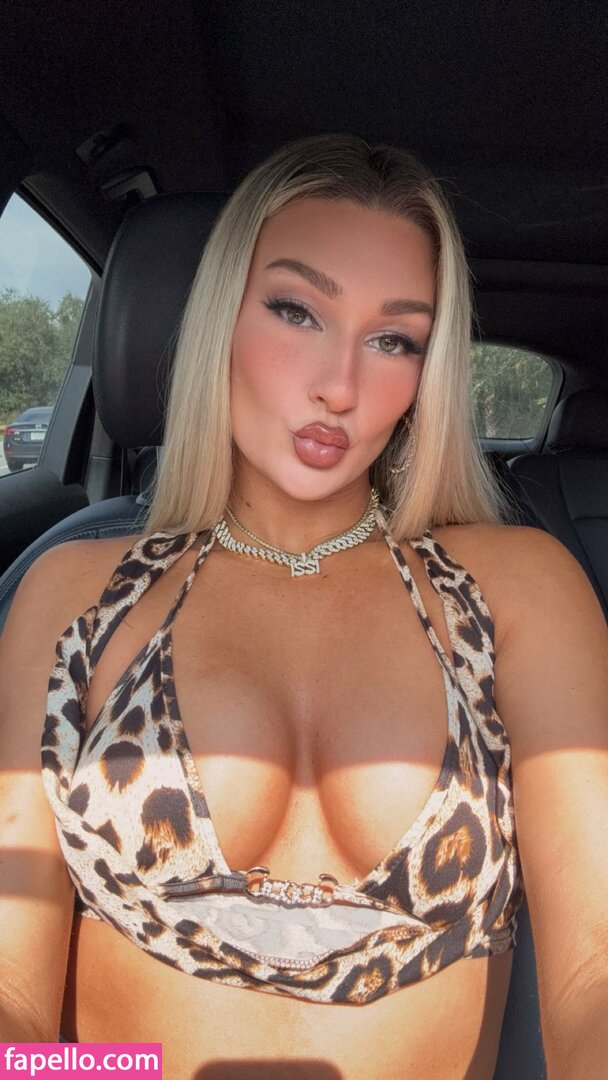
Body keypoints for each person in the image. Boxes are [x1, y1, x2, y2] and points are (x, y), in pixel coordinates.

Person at [0, 133, 606, 1080]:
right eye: (296, 311)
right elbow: (15, 996)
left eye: (393, 339)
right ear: (222, 318)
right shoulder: (76, 594)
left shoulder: (518, 590)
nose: (339, 387)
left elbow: (591, 977)